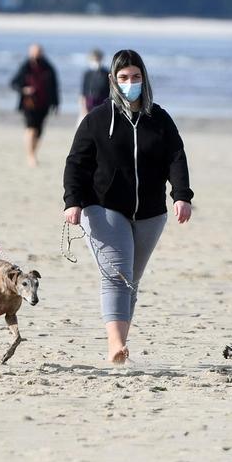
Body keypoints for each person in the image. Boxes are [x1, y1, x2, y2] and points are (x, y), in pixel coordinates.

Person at [62, 49, 193, 363]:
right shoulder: (97, 119)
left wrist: (181, 195)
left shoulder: (159, 119)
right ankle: (115, 347)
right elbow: (76, 163)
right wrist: (73, 201)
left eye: (135, 77)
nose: (130, 82)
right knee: (116, 276)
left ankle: (120, 342)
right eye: (123, 77)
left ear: (144, 79)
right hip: (103, 208)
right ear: (112, 80)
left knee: (130, 280)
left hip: (150, 212)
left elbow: (176, 156)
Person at [10, 43, 59, 166]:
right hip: (28, 104)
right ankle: (30, 156)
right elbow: (14, 83)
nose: (36, 54)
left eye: (39, 52)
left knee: (39, 131)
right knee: (30, 129)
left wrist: (56, 103)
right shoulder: (25, 66)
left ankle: (33, 153)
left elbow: (55, 86)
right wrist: (24, 89)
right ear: (30, 53)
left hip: (44, 104)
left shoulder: (48, 67)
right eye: (34, 52)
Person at [79, 48, 110, 121]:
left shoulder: (106, 73)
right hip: (90, 102)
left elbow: (110, 91)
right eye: (94, 59)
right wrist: (83, 108)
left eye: (98, 59)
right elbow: (83, 91)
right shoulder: (87, 74)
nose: (96, 62)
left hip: (103, 102)